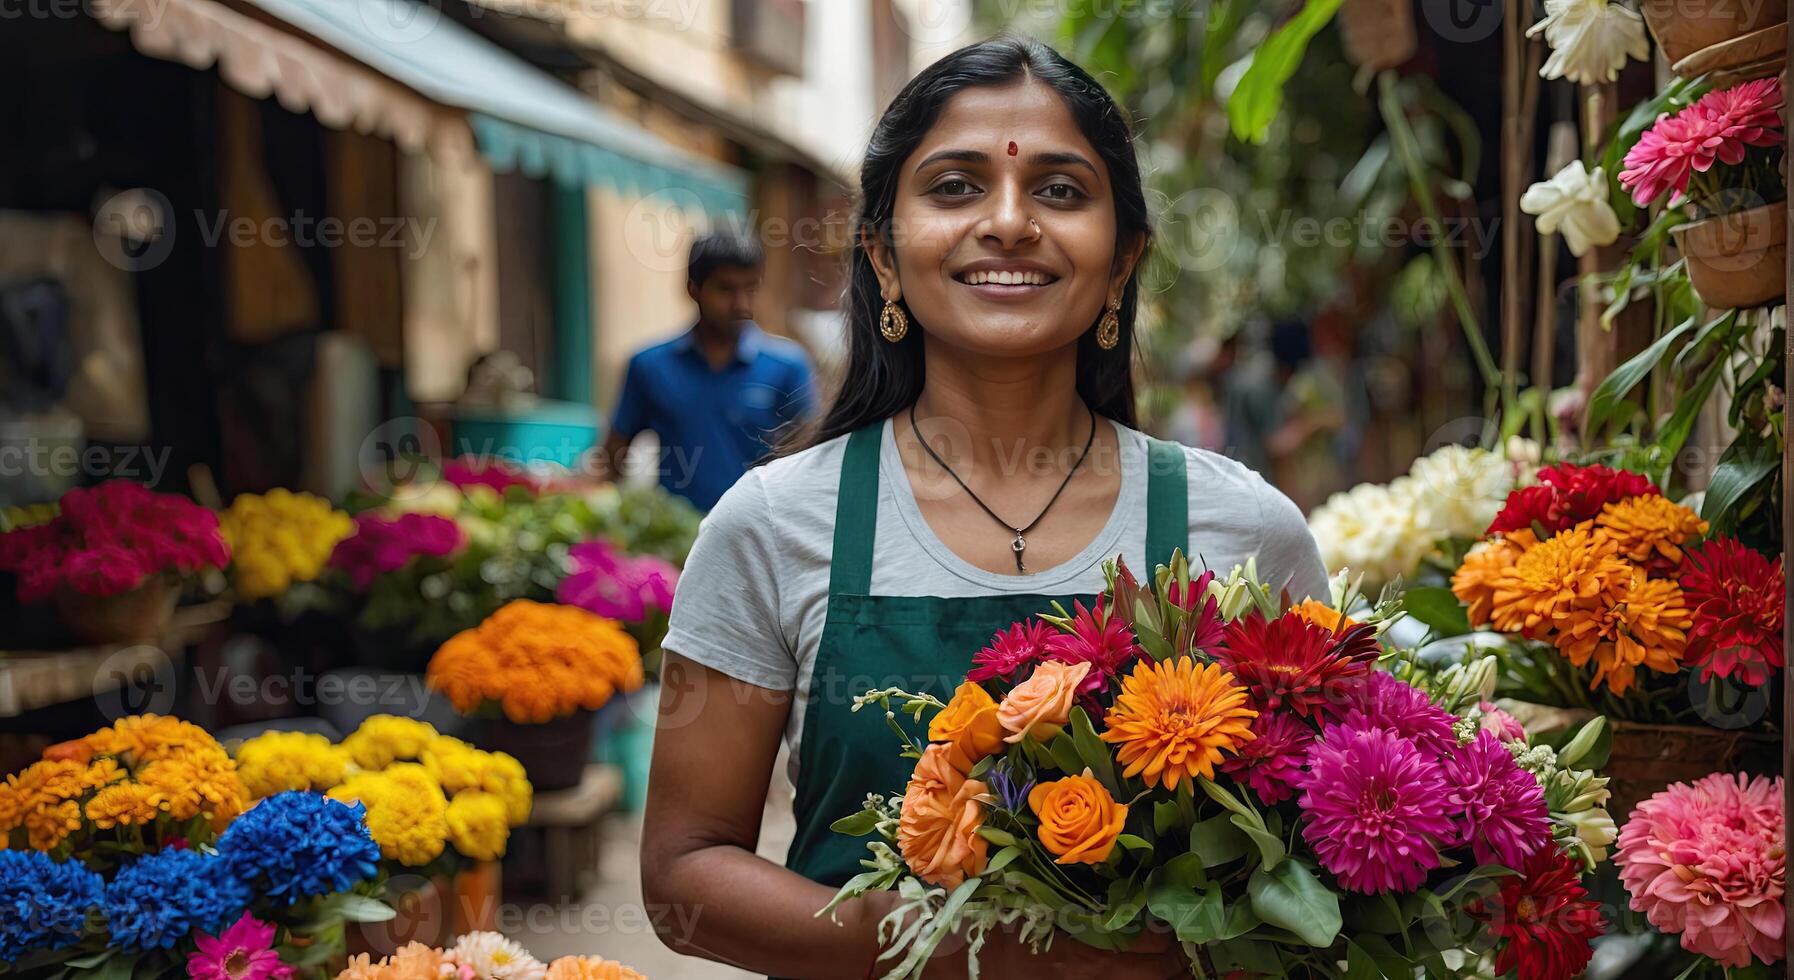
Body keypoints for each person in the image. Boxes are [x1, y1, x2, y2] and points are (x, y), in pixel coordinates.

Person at [640, 36, 1328, 979]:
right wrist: (979, 950)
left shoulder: (1247, 531)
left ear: (1123, 260)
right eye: (956, 187)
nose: (1008, 222)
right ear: (882, 254)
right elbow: (685, 876)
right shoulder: (769, 525)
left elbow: (1316, 863)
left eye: (1060, 190)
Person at [601, 233, 817, 511]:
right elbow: (611, 460)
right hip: (677, 541)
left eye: (751, 289)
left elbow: (810, 464)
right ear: (693, 290)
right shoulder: (650, 366)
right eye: (726, 289)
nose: (741, 304)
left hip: (758, 539)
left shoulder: (788, 367)